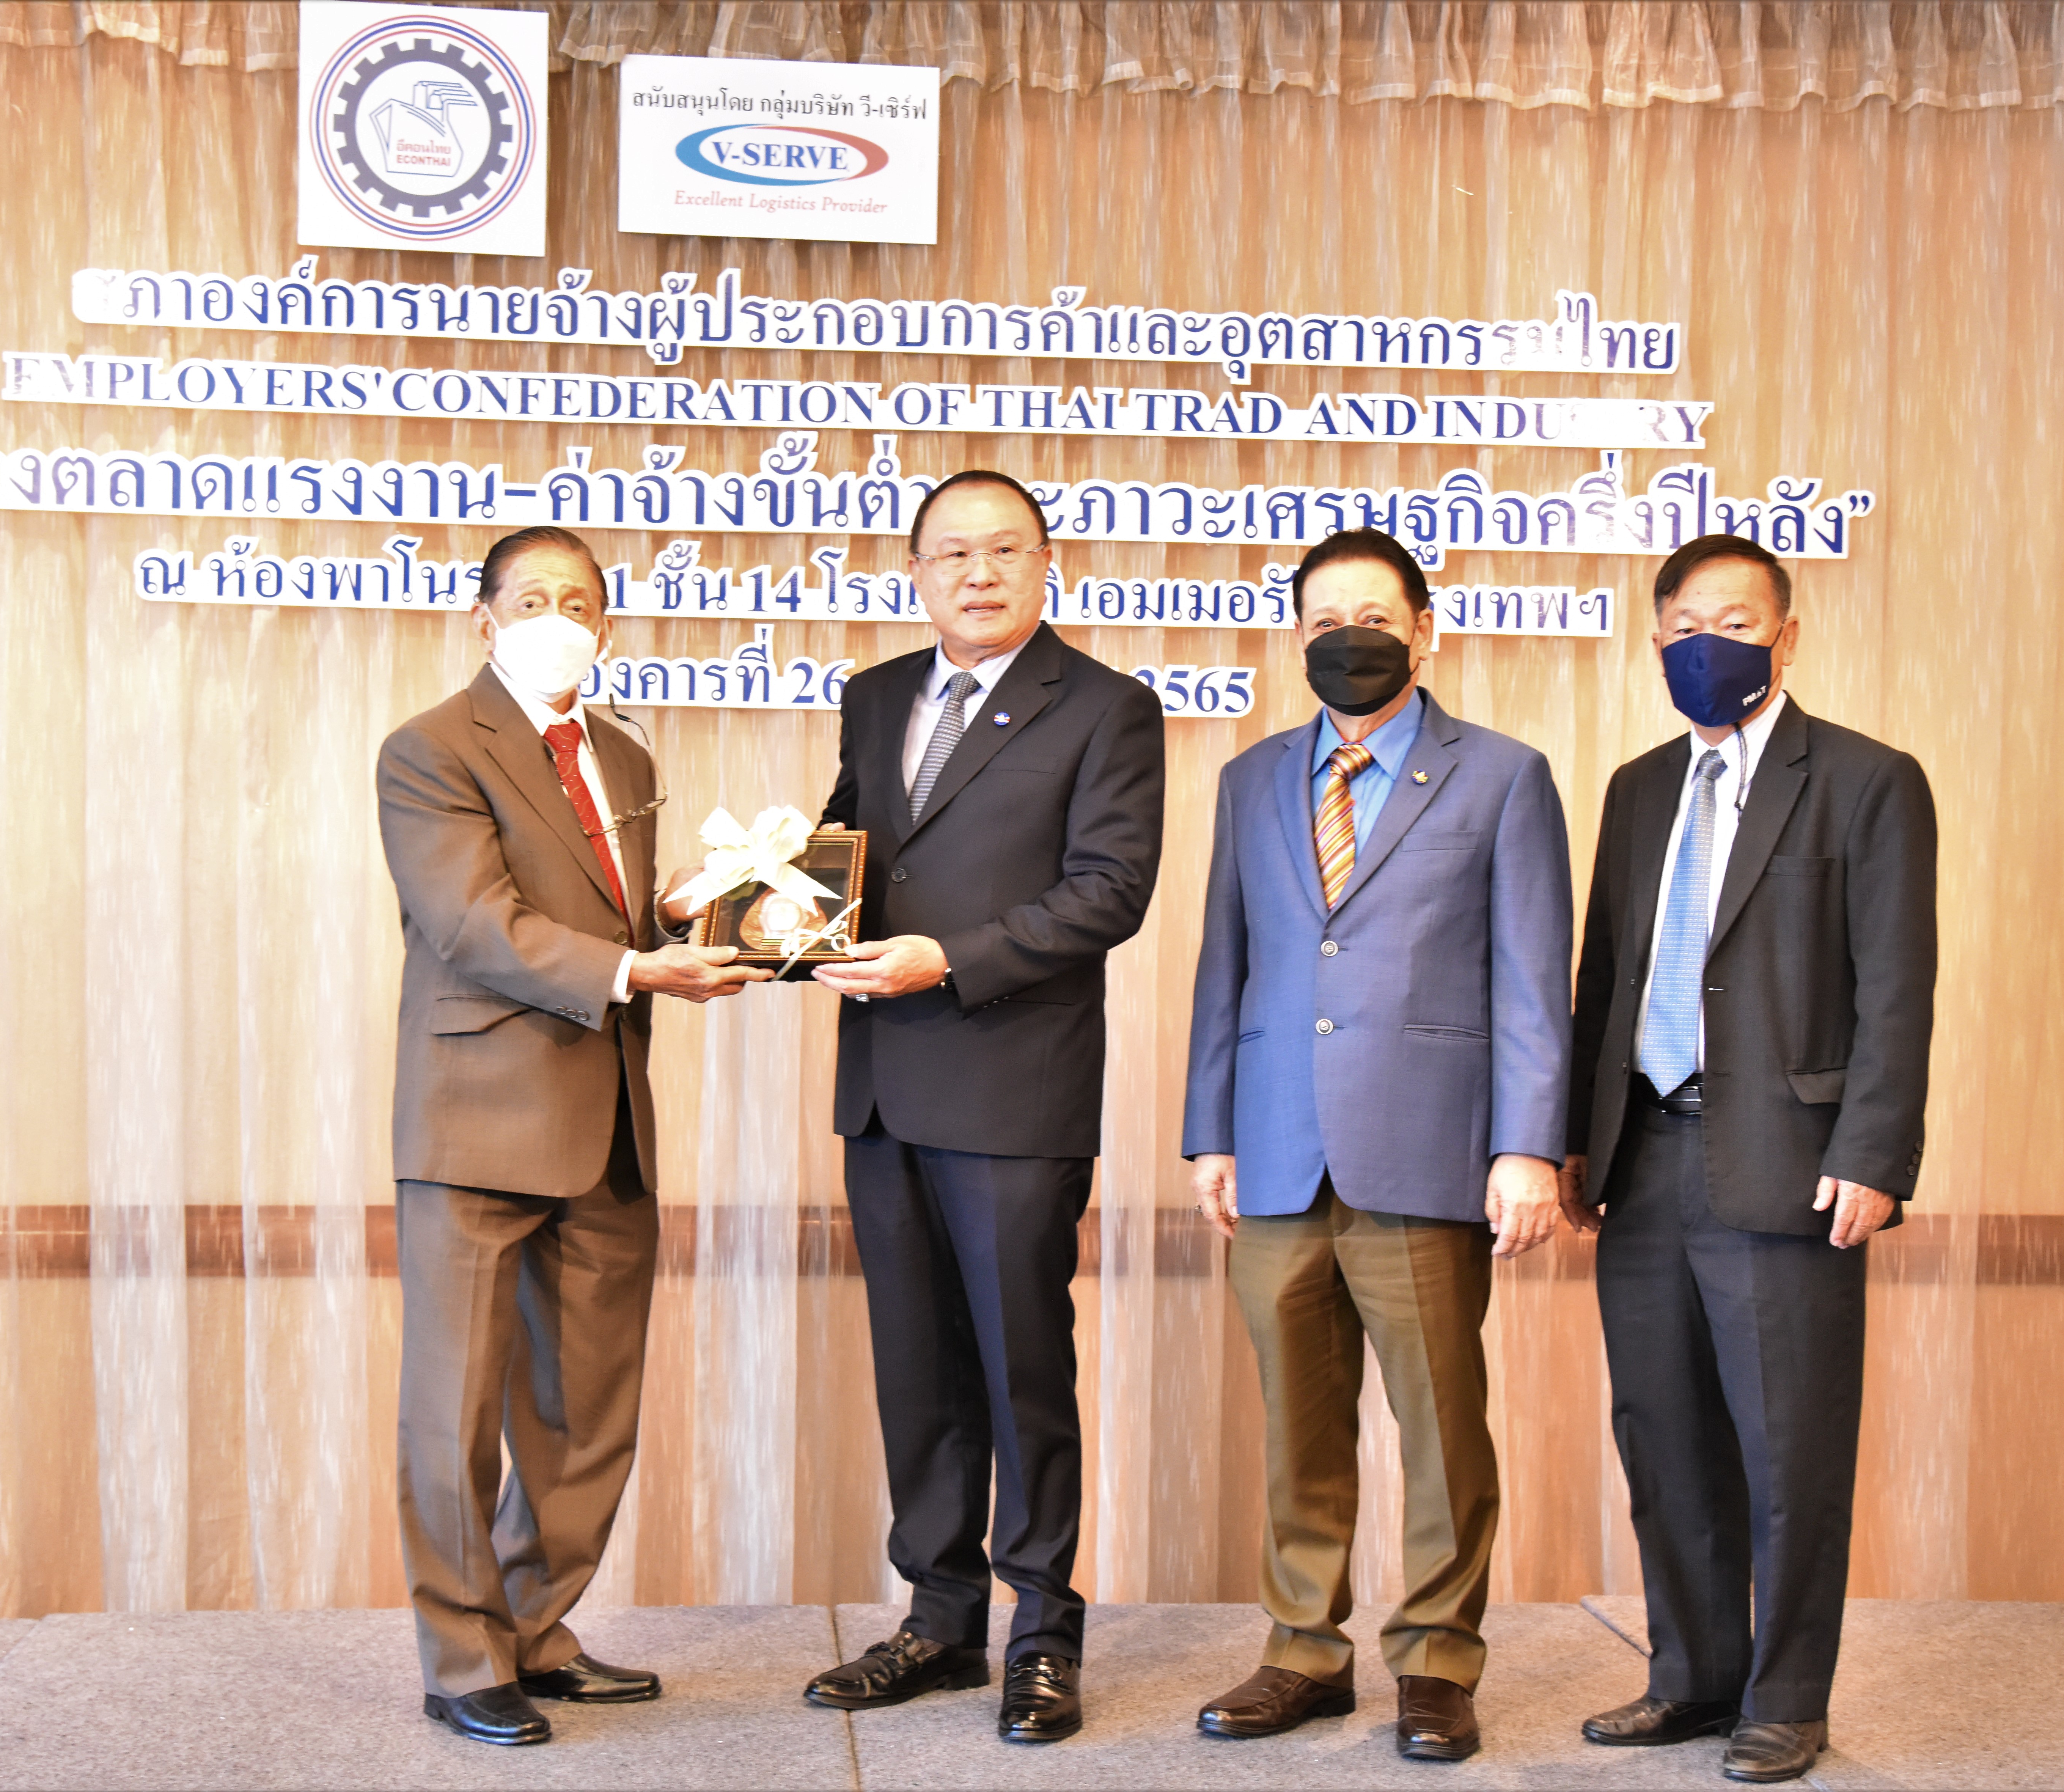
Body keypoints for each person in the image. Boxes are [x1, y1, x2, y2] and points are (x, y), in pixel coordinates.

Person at [1180, 527, 1574, 1762]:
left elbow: (1533, 978)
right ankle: (1303, 1649)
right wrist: (1210, 1130)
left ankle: (1438, 1660)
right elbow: (1226, 963)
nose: (1348, 636)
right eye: (1323, 620)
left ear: (1425, 631)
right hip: (1277, 1147)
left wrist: (1528, 1145)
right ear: (1296, 637)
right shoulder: (1250, 779)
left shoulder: (1503, 776)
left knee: (1441, 1425)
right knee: (1298, 1422)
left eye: (1375, 616)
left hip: (1428, 1148)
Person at [375, 525, 767, 1747]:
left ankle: (534, 1628)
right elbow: (472, 923)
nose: (560, 619)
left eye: (581, 602)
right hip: (477, 1120)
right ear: (485, 619)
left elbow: (615, 920)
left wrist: (690, 911)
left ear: (607, 624)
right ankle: (461, 1658)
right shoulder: (432, 748)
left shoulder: (623, 751)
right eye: (534, 599)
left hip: (608, 1122)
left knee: (586, 1409)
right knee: (455, 1408)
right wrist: (641, 968)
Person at [795, 470, 1166, 1744]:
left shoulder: (1107, 707)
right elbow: (843, 859)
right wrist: (750, 900)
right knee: (919, 1370)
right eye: (951, 553)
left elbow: (1110, 889)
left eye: (1005, 549)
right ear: (917, 574)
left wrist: (949, 958)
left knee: (1022, 1371)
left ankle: (1043, 1634)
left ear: (1047, 564)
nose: (979, 572)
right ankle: (941, 1617)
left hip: (1015, 1088)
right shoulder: (876, 695)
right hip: (884, 1089)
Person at [1562, 533, 1936, 1784]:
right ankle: (1692, 1675)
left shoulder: (1868, 781)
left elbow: (1897, 986)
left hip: (1791, 1163)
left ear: (1786, 635)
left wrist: (1875, 1151)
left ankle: (1786, 1696)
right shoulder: (1638, 788)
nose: (1705, 642)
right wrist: (1576, 1144)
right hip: (1644, 1160)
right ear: (1657, 639)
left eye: (1734, 621)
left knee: (1789, 1451)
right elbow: (1607, 978)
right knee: (1663, 1437)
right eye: (1683, 625)